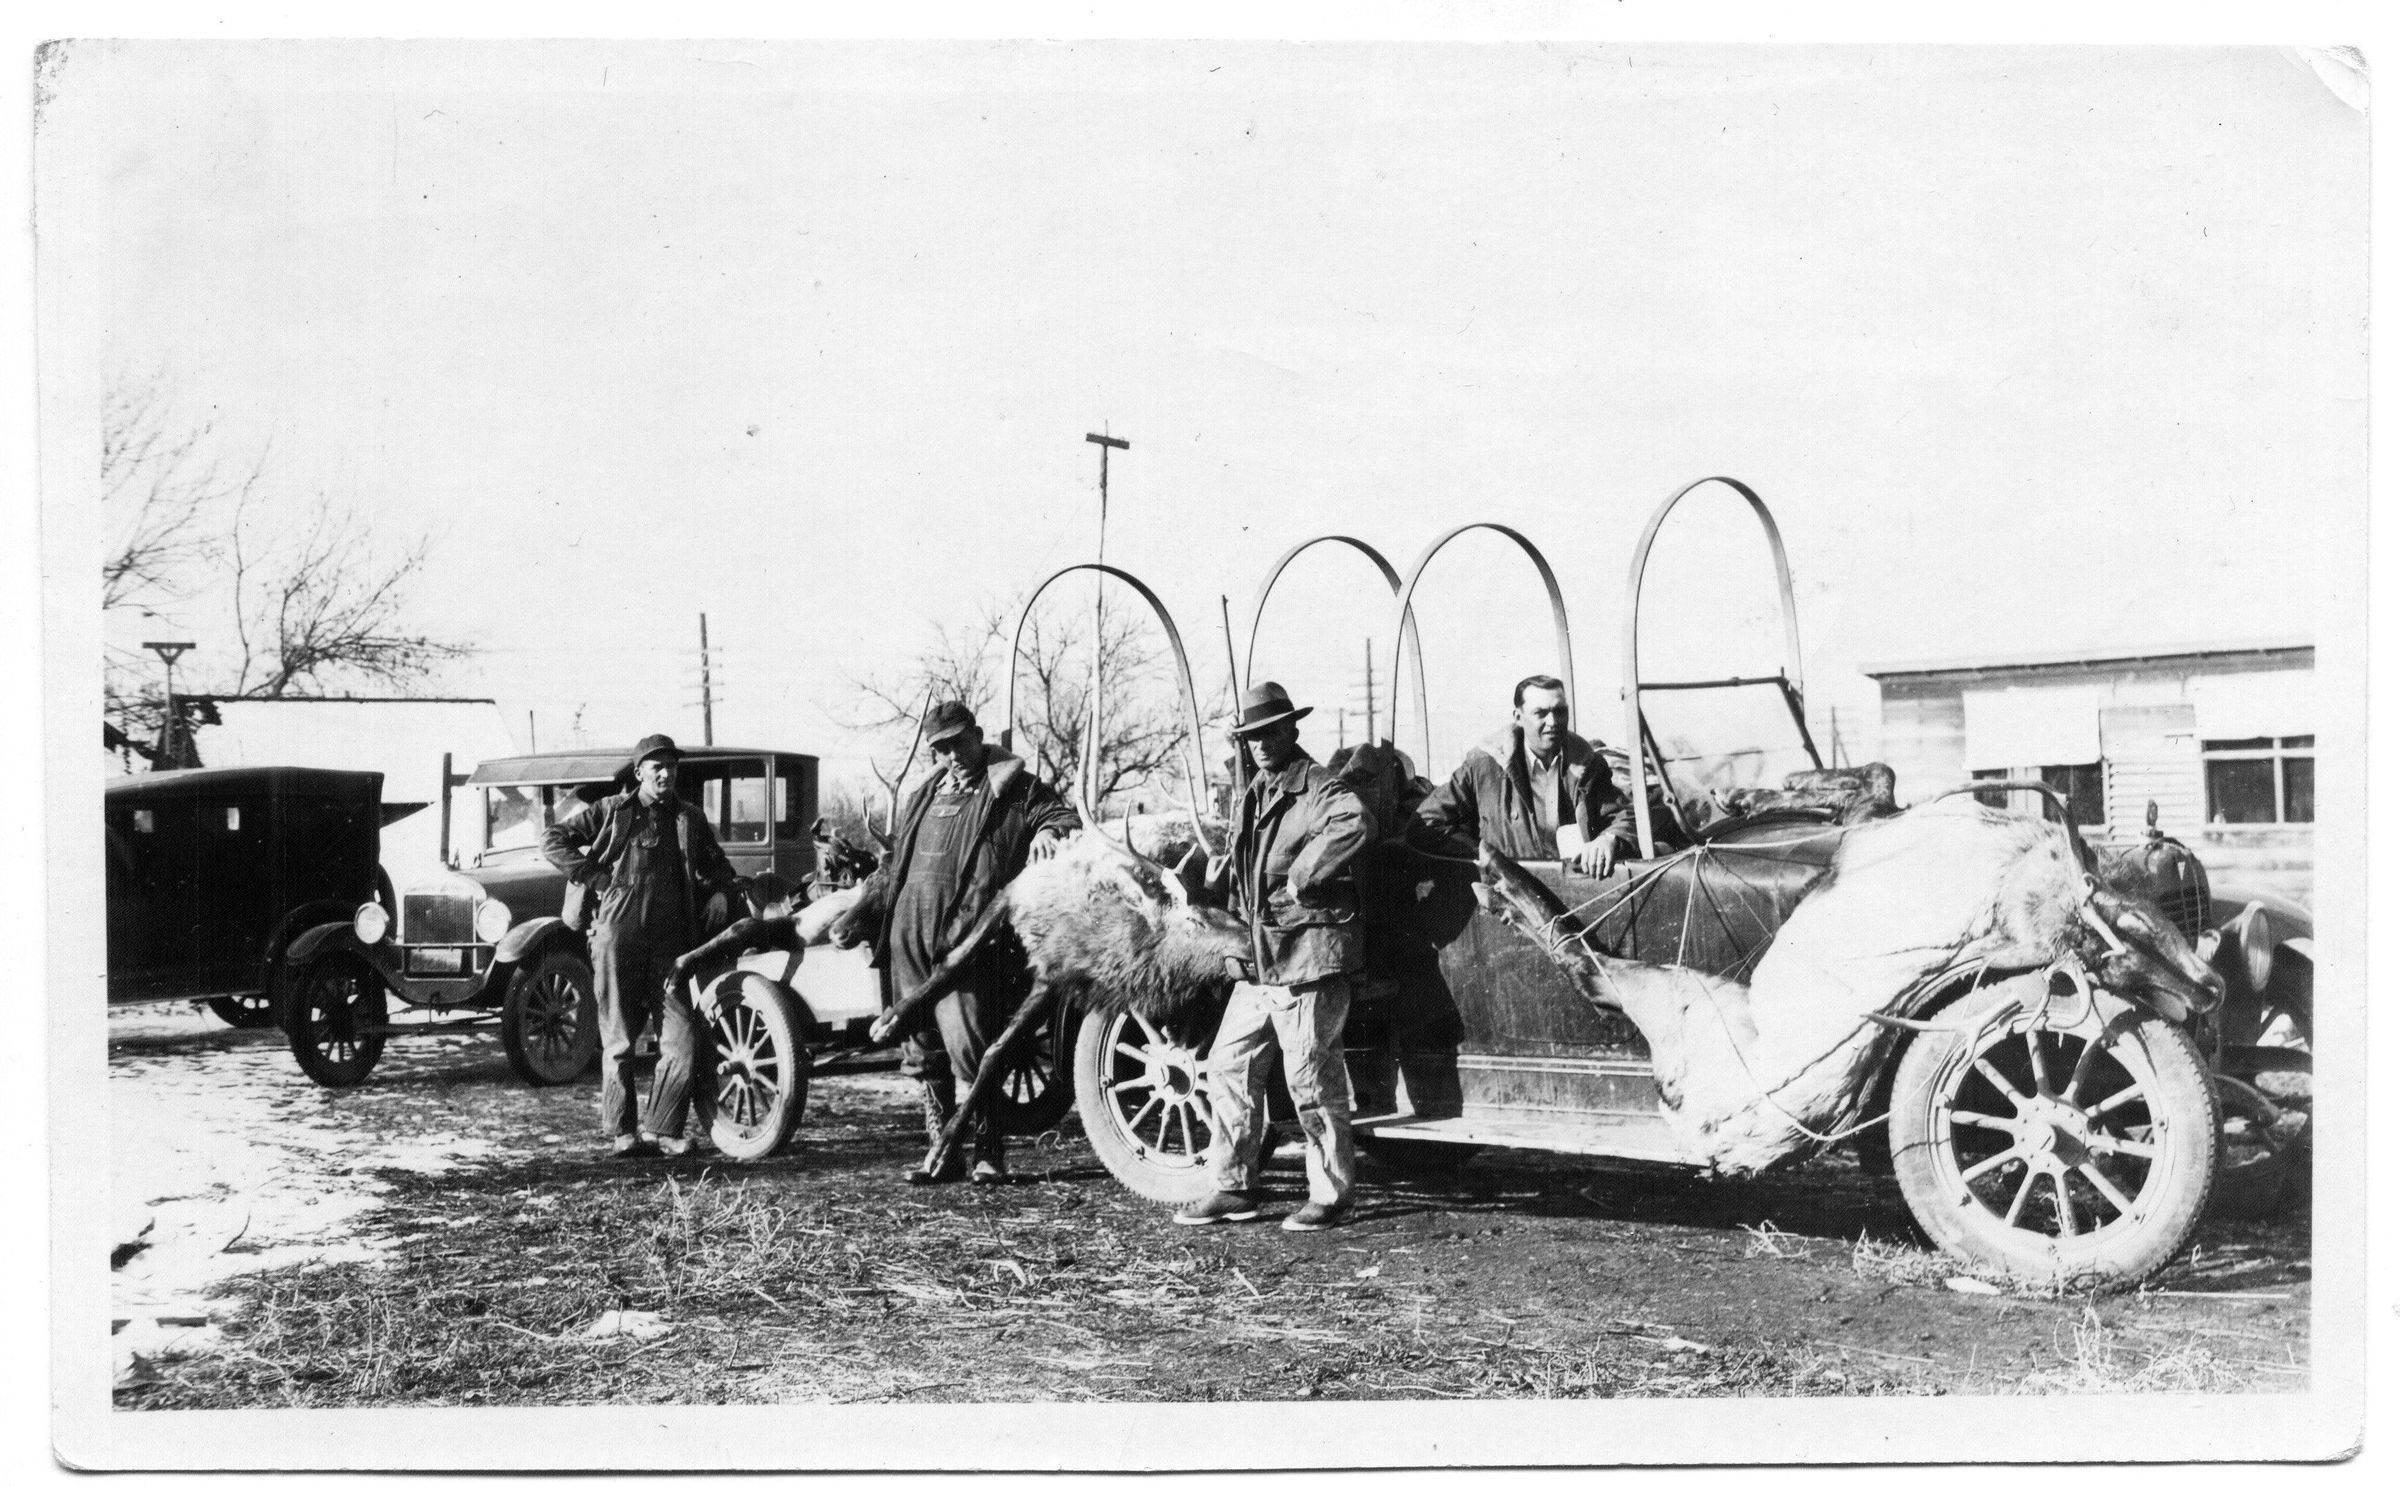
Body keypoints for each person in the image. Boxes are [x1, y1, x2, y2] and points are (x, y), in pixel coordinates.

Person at [843, 701, 1076, 1185]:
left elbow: (1064, 815)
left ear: (979, 734)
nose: (951, 755)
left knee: (972, 1044)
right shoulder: (923, 795)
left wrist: (1048, 831)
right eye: (941, 748)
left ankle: (989, 1151)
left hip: (971, 941)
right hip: (910, 935)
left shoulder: (1015, 787)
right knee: (922, 1048)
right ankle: (942, 1151)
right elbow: (896, 864)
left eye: (958, 743)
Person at [1177, 682, 1371, 1232]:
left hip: (1308, 957)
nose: (1260, 744)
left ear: (1292, 730)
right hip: (1263, 959)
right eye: (1251, 736)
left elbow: (1355, 821)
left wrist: (1306, 875)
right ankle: (1233, 1187)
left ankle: (1331, 1196)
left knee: (1310, 1077)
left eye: (1270, 732)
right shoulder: (1257, 792)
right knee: (1228, 1064)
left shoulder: (1318, 786)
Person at [542, 734, 743, 1158]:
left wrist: (722, 892)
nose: (666, 774)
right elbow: (553, 838)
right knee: (619, 1040)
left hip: (671, 948)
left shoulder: (690, 818)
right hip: (617, 940)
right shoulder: (612, 811)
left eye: (671, 766)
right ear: (639, 773)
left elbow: (720, 866)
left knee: (681, 1039)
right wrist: (594, 877)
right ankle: (622, 1132)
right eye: (657, 767)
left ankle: (662, 1130)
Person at [1409, 675, 1646, 875]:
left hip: (1575, 887)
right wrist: (1486, 858)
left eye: (1560, 711)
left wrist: (1609, 839)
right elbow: (1427, 823)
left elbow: (1624, 814)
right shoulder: (1484, 766)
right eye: (1540, 713)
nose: (1553, 722)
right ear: (1518, 717)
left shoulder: (1588, 764)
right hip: (1510, 892)